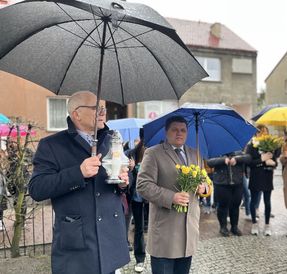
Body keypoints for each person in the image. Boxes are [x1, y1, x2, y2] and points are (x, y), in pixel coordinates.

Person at [28, 91, 130, 274]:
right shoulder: (52, 145)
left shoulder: (111, 140)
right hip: (78, 242)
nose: (103, 113)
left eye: (103, 109)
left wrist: (123, 183)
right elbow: (37, 189)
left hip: (109, 238)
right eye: (96, 108)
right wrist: (78, 173)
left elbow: (116, 185)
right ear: (76, 114)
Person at [136, 115, 206, 274]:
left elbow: (205, 181)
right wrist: (171, 197)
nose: (179, 133)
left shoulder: (195, 154)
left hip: (189, 232)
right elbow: (142, 185)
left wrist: (205, 188)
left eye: (183, 130)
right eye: (174, 129)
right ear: (166, 132)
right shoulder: (153, 153)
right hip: (165, 233)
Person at [246, 125, 279, 236]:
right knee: (254, 201)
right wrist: (261, 159)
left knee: (267, 201)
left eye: (265, 132)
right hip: (255, 176)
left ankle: (267, 225)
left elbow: (275, 162)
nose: (263, 134)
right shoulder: (251, 146)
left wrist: (273, 163)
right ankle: (254, 223)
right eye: (261, 132)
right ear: (256, 134)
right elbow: (249, 162)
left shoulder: (270, 145)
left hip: (267, 176)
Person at [207, 151, 249, 237]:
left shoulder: (238, 151)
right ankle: (223, 227)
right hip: (222, 183)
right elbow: (209, 162)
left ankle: (234, 227)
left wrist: (236, 159)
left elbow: (248, 158)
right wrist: (223, 160)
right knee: (223, 206)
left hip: (237, 183)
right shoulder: (217, 151)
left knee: (235, 205)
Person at [126, 128, 148, 273]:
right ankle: (140, 259)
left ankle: (162, 255)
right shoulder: (131, 154)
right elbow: (125, 178)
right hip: (137, 197)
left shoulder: (157, 153)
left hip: (153, 198)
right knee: (139, 229)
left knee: (157, 228)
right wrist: (132, 169)